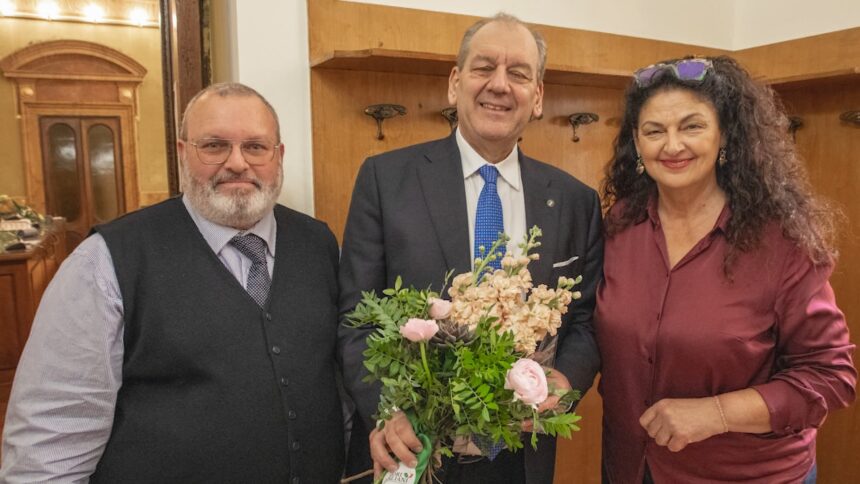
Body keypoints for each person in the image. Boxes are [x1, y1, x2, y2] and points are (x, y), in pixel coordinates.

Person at [0, 83, 345, 483]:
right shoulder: (107, 261)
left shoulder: (319, 243)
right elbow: (50, 443)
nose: (237, 163)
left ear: (279, 156)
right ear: (183, 153)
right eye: (214, 146)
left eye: (255, 147)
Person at [338, 13, 603, 484]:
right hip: (417, 451)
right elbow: (357, 317)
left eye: (518, 73)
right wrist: (389, 411)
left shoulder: (575, 200)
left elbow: (583, 320)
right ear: (454, 84)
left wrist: (564, 381)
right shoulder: (385, 180)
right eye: (483, 68)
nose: (499, 85)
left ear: (537, 97)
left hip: (523, 455)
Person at [596, 55, 857, 483]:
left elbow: (830, 377)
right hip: (630, 466)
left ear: (725, 137)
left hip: (744, 473)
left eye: (692, 126)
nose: (672, 145)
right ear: (636, 145)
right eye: (654, 131)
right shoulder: (621, 226)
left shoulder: (782, 243)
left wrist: (715, 413)